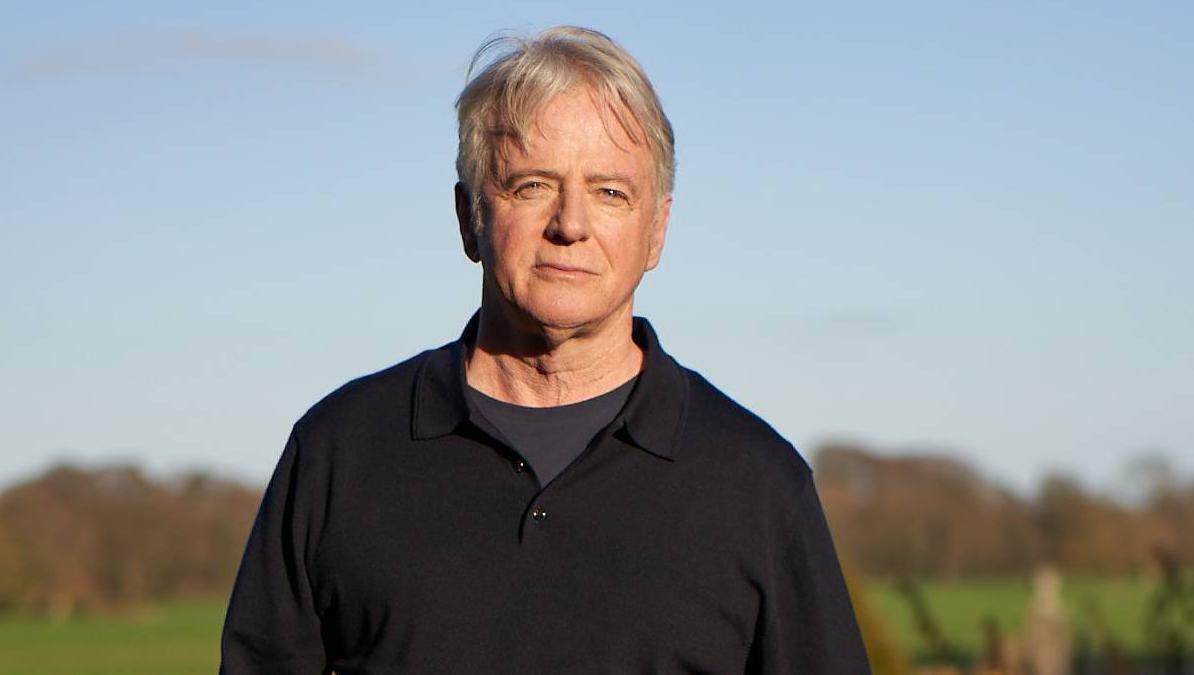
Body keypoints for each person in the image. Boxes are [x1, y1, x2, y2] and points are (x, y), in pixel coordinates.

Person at [220, 26, 870, 674]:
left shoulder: (757, 484)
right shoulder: (339, 451)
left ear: (657, 231)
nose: (570, 224)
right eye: (532, 185)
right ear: (469, 216)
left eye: (610, 192)